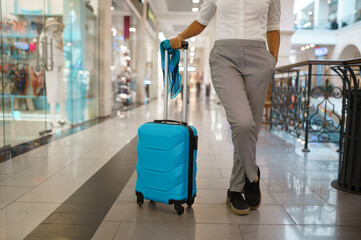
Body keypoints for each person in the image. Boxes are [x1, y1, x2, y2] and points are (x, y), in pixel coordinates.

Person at [170, 0, 280, 216]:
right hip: (224, 58)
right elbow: (202, 20)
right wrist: (181, 36)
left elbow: (273, 26)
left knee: (251, 129)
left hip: (259, 59)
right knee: (242, 122)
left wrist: (272, 61)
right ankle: (252, 176)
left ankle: (235, 191)